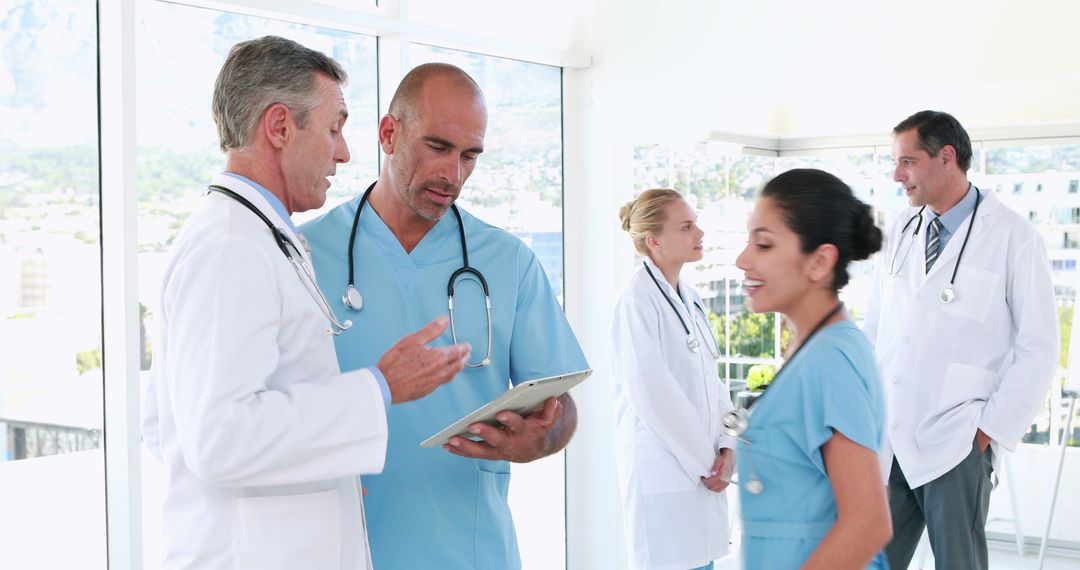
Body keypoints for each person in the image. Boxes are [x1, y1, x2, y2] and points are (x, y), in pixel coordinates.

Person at [141, 36, 471, 570]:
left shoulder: (258, 235)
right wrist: (381, 385)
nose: (343, 151)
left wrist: (320, 484)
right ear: (279, 127)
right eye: (334, 127)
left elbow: (166, 424)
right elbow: (218, 436)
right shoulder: (231, 247)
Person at [301, 62, 588, 569]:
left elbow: (558, 403)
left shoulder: (508, 261)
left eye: (469, 156)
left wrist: (540, 436)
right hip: (344, 549)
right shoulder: (306, 255)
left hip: (471, 550)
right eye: (438, 147)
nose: (453, 175)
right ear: (389, 133)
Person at [864, 110, 1059, 570]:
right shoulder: (901, 231)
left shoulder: (1013, 236)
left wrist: (987, 432)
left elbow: (1039, 347)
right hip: (891, 437)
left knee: (959, 564)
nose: (897, 176)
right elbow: (877, 329)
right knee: (871, 561)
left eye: (907, 162)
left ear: (946, 157)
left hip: (957, 441)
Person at [733, 168, 893, 569]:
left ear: (820, 261)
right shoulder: (811, 349)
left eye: (764, 245)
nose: (742, 260)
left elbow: (868, 523)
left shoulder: (830, 360)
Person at [610, 189, 736, 570]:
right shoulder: (636, 302)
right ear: (654, 241)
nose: (699, 232)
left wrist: (729, 448)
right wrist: (707, 464)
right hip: (671, 475)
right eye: (686, 226)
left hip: (704, 475)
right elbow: (653, 396)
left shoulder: (691, 299)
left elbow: (716, 384)